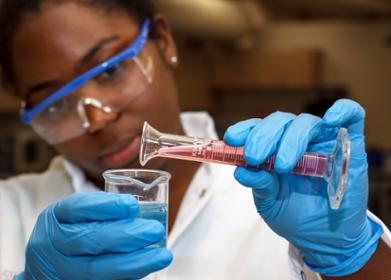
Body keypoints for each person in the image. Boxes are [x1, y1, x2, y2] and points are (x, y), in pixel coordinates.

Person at [0, 0, 390, 279]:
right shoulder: (9, 213)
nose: (98, 118)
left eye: (111, 70)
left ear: (165, 42)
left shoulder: (285, 196)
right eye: (55, 106)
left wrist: (351, 257)